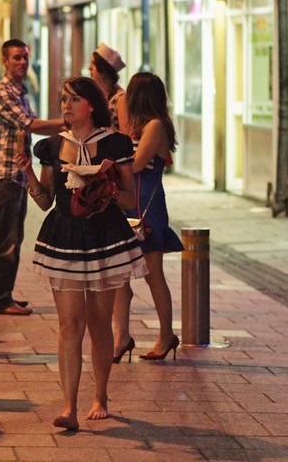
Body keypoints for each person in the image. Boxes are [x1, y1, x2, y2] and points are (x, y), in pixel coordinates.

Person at [17, 76, 147, 430]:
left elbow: (128, 199)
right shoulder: (52, 146)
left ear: (92, 105)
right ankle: (69, 406)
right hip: (65, 237)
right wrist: (28, 174)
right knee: (69, 324)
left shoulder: (115, 143)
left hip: (105, 237)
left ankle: (100, 395)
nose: (67, 105)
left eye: (74, 99)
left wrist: (103, 187)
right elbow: (46, 201)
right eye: (63, 99)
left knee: (99, 322)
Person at [0, 39, 65, 315]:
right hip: (4, 174)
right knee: (4, 238)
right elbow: (30, 124)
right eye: (16, 58)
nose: (22, 63)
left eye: (25, 58)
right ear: (4, 60)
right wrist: (69, 122)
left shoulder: (20, 92)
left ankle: (5, 295)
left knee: (13, 236)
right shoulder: (3, 92)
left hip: (16, 175)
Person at [112, 73, 183, 364]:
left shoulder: (155, 126)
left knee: (154, 274)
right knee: (119, 274)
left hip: (147, 207)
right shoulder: (138, 127)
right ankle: (121, 337)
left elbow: (137, 164)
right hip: (130, 205)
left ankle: (166, 335)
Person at [90, 43, 128, 133]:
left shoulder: (121, 99)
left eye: (93, 64)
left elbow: (126, 134)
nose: (89, 68)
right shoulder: (99, 96)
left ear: (103, 70)